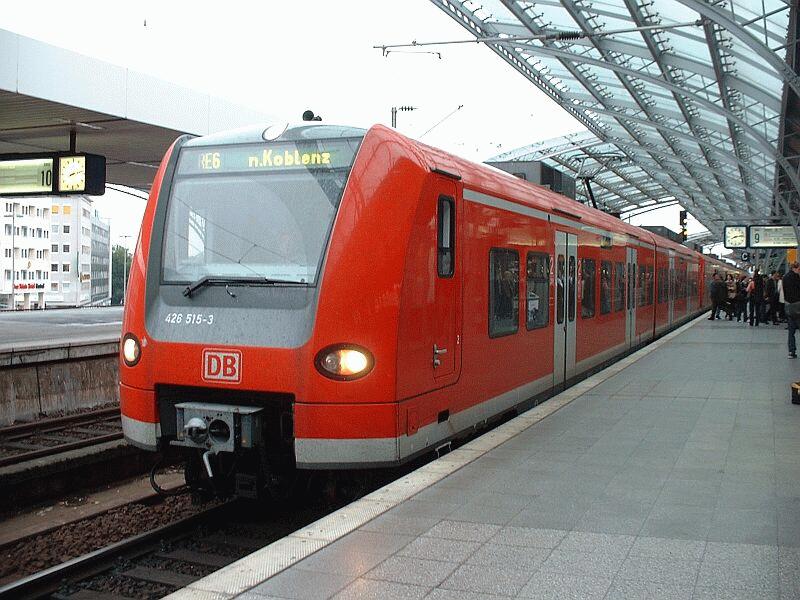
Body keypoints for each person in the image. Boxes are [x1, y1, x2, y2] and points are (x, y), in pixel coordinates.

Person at [782, 262, 800, 358]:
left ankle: (791, 352)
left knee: (791, 331)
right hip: (798, 306)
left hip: (789, 306)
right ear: (794, 268)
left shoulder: (784, 277)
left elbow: (784, 291)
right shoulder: (796, 278)